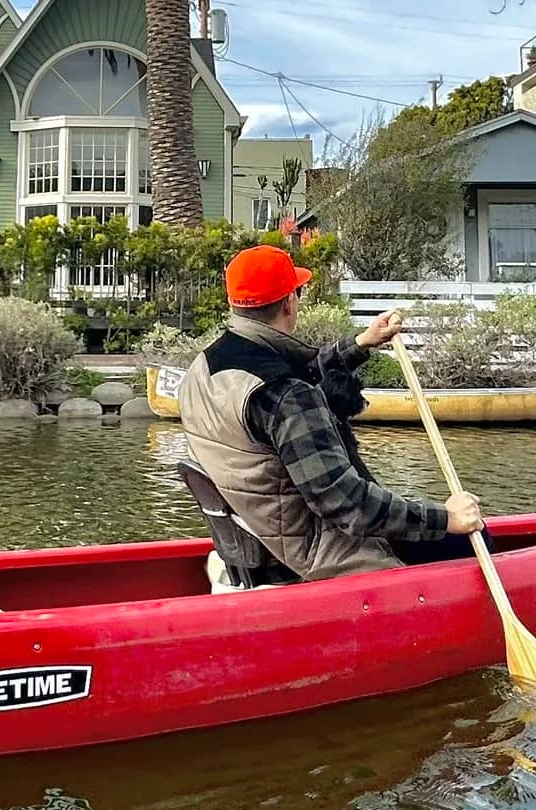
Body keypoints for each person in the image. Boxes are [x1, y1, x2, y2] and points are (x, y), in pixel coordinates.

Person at [177, 244, 485, 581]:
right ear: (289, 303)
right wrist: (445, 518)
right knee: (473, 541)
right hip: (316, 554)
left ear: (234, 304)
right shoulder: (288, 395)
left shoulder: (204, 368)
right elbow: (348, 505)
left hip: (258, 541)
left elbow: (293, 374)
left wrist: (362, 343)